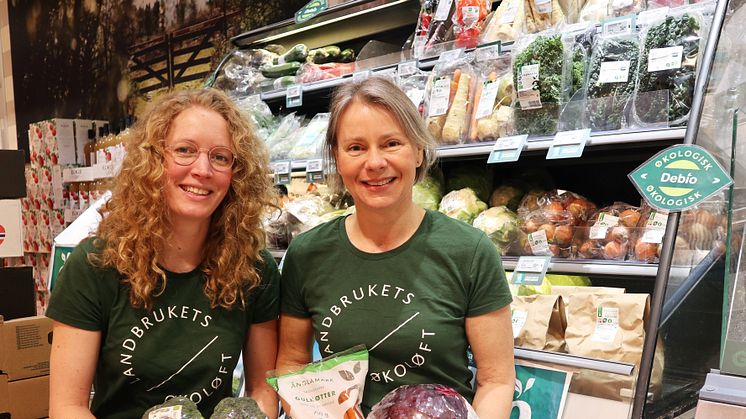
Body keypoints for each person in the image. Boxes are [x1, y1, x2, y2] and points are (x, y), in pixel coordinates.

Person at [276, 77, 515, 417]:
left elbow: (496, 381)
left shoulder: (469, 251)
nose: (374, 163)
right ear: (337, 159)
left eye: (391, 143)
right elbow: (292, 362)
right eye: (356, 148)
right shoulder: (307, 254)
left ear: (418, 150)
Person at [47, 89, 280, 419]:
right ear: (154, 160)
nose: (203, 169)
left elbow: (263, 389)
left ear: (236, 173)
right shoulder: (95, 264)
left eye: (220, 157)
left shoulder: (253, 268)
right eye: (185, 151)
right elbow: (66, 407)